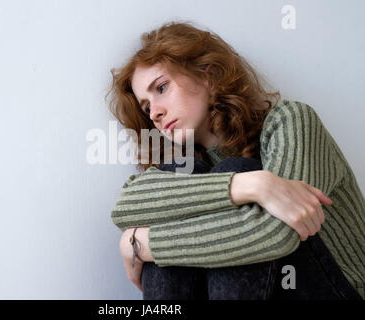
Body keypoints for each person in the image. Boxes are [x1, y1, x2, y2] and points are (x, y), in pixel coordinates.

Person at [105, 20, 364, 300]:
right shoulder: (187, 166)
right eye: (146, 106)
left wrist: (141, 243)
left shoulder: (290, 121)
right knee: (197, 178)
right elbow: (126, 207)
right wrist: (250, 185)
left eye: (162, 88)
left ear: (208, 74)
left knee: (232, 169)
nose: (154, 112)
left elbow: (276, 233)